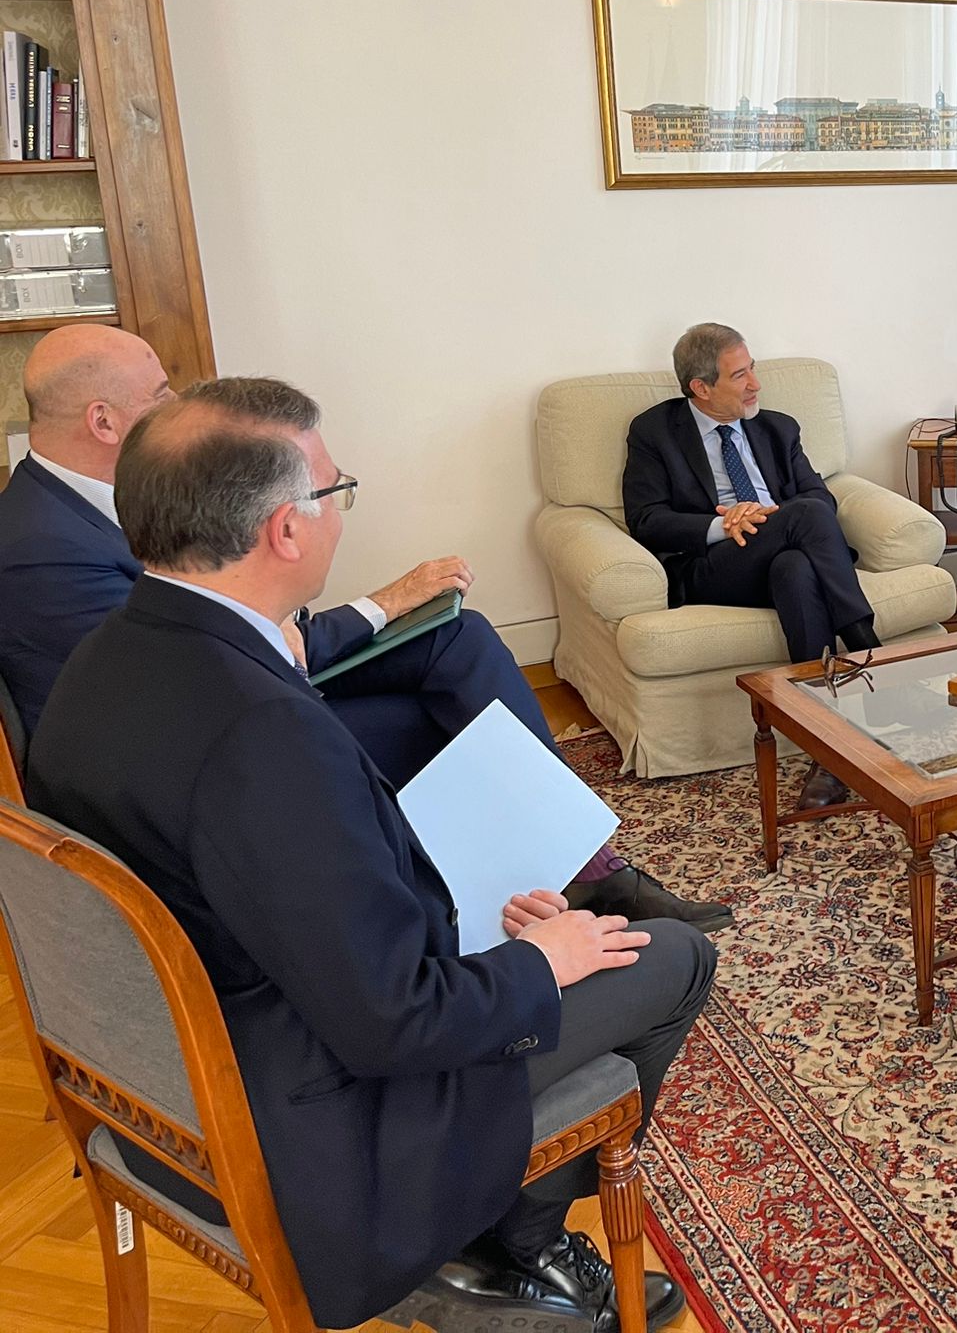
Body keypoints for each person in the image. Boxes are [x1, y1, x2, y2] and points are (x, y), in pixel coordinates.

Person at [25, 377, 714, 1330]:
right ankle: (510, 1253)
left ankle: (502, 1249)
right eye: (334, 491)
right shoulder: (263, 733)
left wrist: (485, 933)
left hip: (171, 1083)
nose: (339, 511)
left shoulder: (103, 661)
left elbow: (275, 896)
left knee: (545, 930)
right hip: (319, 1124)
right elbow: (398, 1024)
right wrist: (535, 965)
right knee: (672, 956)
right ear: (286, 530)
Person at [0, 327, 726, 929]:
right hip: (225, 746)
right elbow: (193, 685)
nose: (179, 404)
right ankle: (527, 889)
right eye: (161, 393)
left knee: (458, 636)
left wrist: (375, 608)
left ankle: (580, 862)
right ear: (104, 421)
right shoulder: (42, 551)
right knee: (459, 725)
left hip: (255, 678)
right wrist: (380, 601)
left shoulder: (89, 502)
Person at [623, 321, 879, 806]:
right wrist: (726, 523)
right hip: (715, 563)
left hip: (786, 554)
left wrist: (766, 516)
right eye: (740, 375)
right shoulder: (654, 431)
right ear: (701, 388)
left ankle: (828, 755)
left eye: (752, 369)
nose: (755, 384)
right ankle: (870, 648)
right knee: (803, 516)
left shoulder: (778, 428)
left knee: (795, 568)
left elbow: (822, 500)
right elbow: (646, 519)